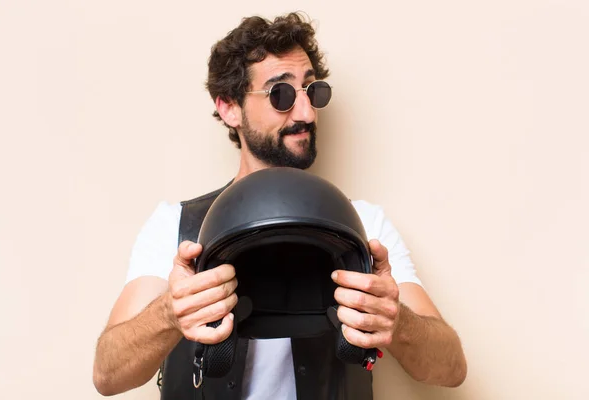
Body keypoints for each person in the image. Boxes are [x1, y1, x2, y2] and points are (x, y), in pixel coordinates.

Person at [92, 11, 467, 399]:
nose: (306, 113)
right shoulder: (176, 226)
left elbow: (451, 369)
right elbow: (108, 375)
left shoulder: (365, 225)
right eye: (281, 94)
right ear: (228, 107)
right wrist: (169, 313)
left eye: (312, 91)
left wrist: (398, 322)